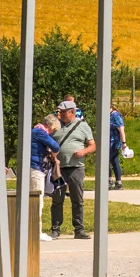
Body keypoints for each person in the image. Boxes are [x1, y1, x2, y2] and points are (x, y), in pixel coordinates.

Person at [51, 99, 95, 239]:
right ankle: (55, 229)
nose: (60, 114)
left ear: (72, 112)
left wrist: (83, 152)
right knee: (57, 199)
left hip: (76, 167)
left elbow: (93, 145)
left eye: (63, 112)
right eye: (59, 112)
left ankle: (79, 229)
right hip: (58, 168)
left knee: (77, 199)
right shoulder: (55, 125)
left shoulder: (83, 126)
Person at [107, 105, 127, 189]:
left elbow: (121, 130)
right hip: (108, 142)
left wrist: (124, 143)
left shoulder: (116, 116)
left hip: (113, 143)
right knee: (114, 161)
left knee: (104, 161)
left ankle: (109, 180)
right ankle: (118, 182)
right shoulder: (109, 115)